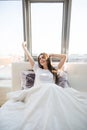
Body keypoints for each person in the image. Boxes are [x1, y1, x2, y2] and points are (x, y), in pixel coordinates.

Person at [0, 42, 87, 130]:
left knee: (51, 88)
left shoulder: (54, 69)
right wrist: (24, 47)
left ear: (47, 59)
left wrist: (52, 54)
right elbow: (29, 56)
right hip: (37, 92)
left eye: (43, 57)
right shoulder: (37, 68)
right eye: (40, 58)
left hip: (52, 91)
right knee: (50, 87)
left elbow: (64, 57)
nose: (41, 59)